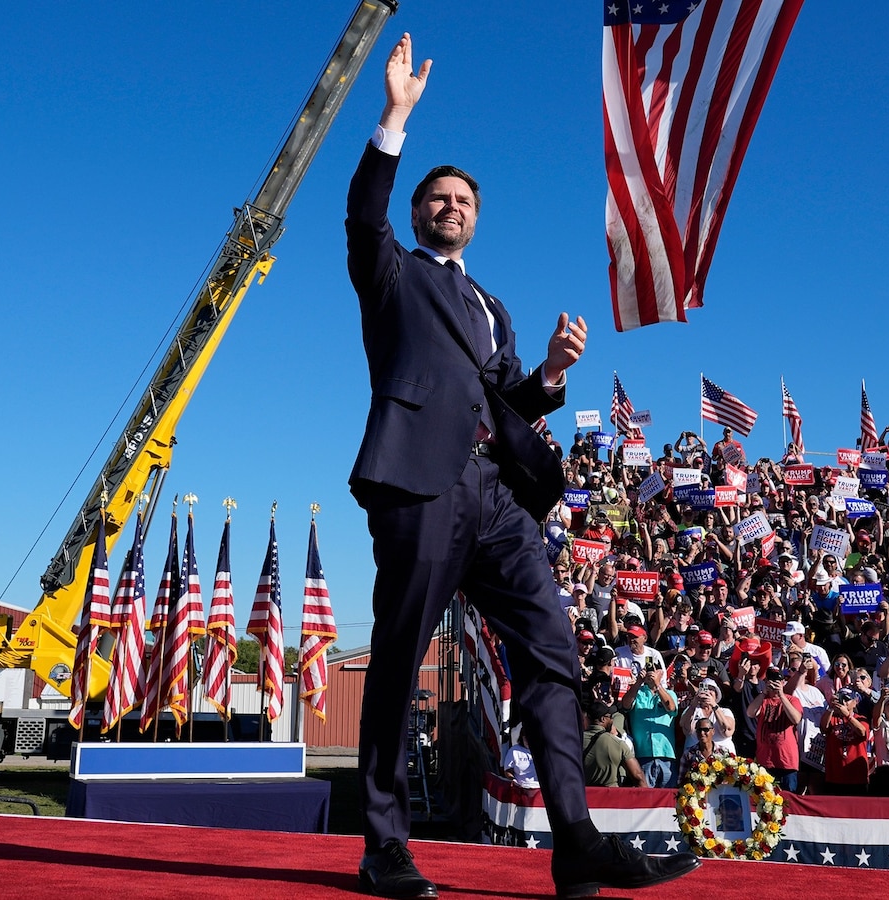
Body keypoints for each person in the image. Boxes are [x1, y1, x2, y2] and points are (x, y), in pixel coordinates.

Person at [345, 35, 695, 899]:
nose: (451, 206)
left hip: (497, 498)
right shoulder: (392, 275)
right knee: (398, 656)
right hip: (419, 486)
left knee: (552, 649)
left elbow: (508, 400)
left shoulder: (491, 305)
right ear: (420, 213)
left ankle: (574, 839)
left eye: (463, 199)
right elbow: (362, 215)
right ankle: (383, 843)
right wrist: (394, 120)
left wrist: (547, 373)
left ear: (476, 217)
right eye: (438, 196)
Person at [618, 658, 678, 789]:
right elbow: (626, 704)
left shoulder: (670, 693)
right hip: (643, 754)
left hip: (666, 754)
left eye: (654, 670)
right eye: (648, 670)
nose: (651, 673)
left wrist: (658, 685)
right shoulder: (638, 693)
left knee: (668, 798)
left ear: (661, 673)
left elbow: (671, 707)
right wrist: (639, 681)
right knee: (645, 799)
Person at [583, 702, 643, 788]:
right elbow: (638, 776)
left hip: (582, 796)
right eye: (610, 717)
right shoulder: (618, 743)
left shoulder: (574, 742)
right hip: (611, 797)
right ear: (603, 719)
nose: (612, 720)